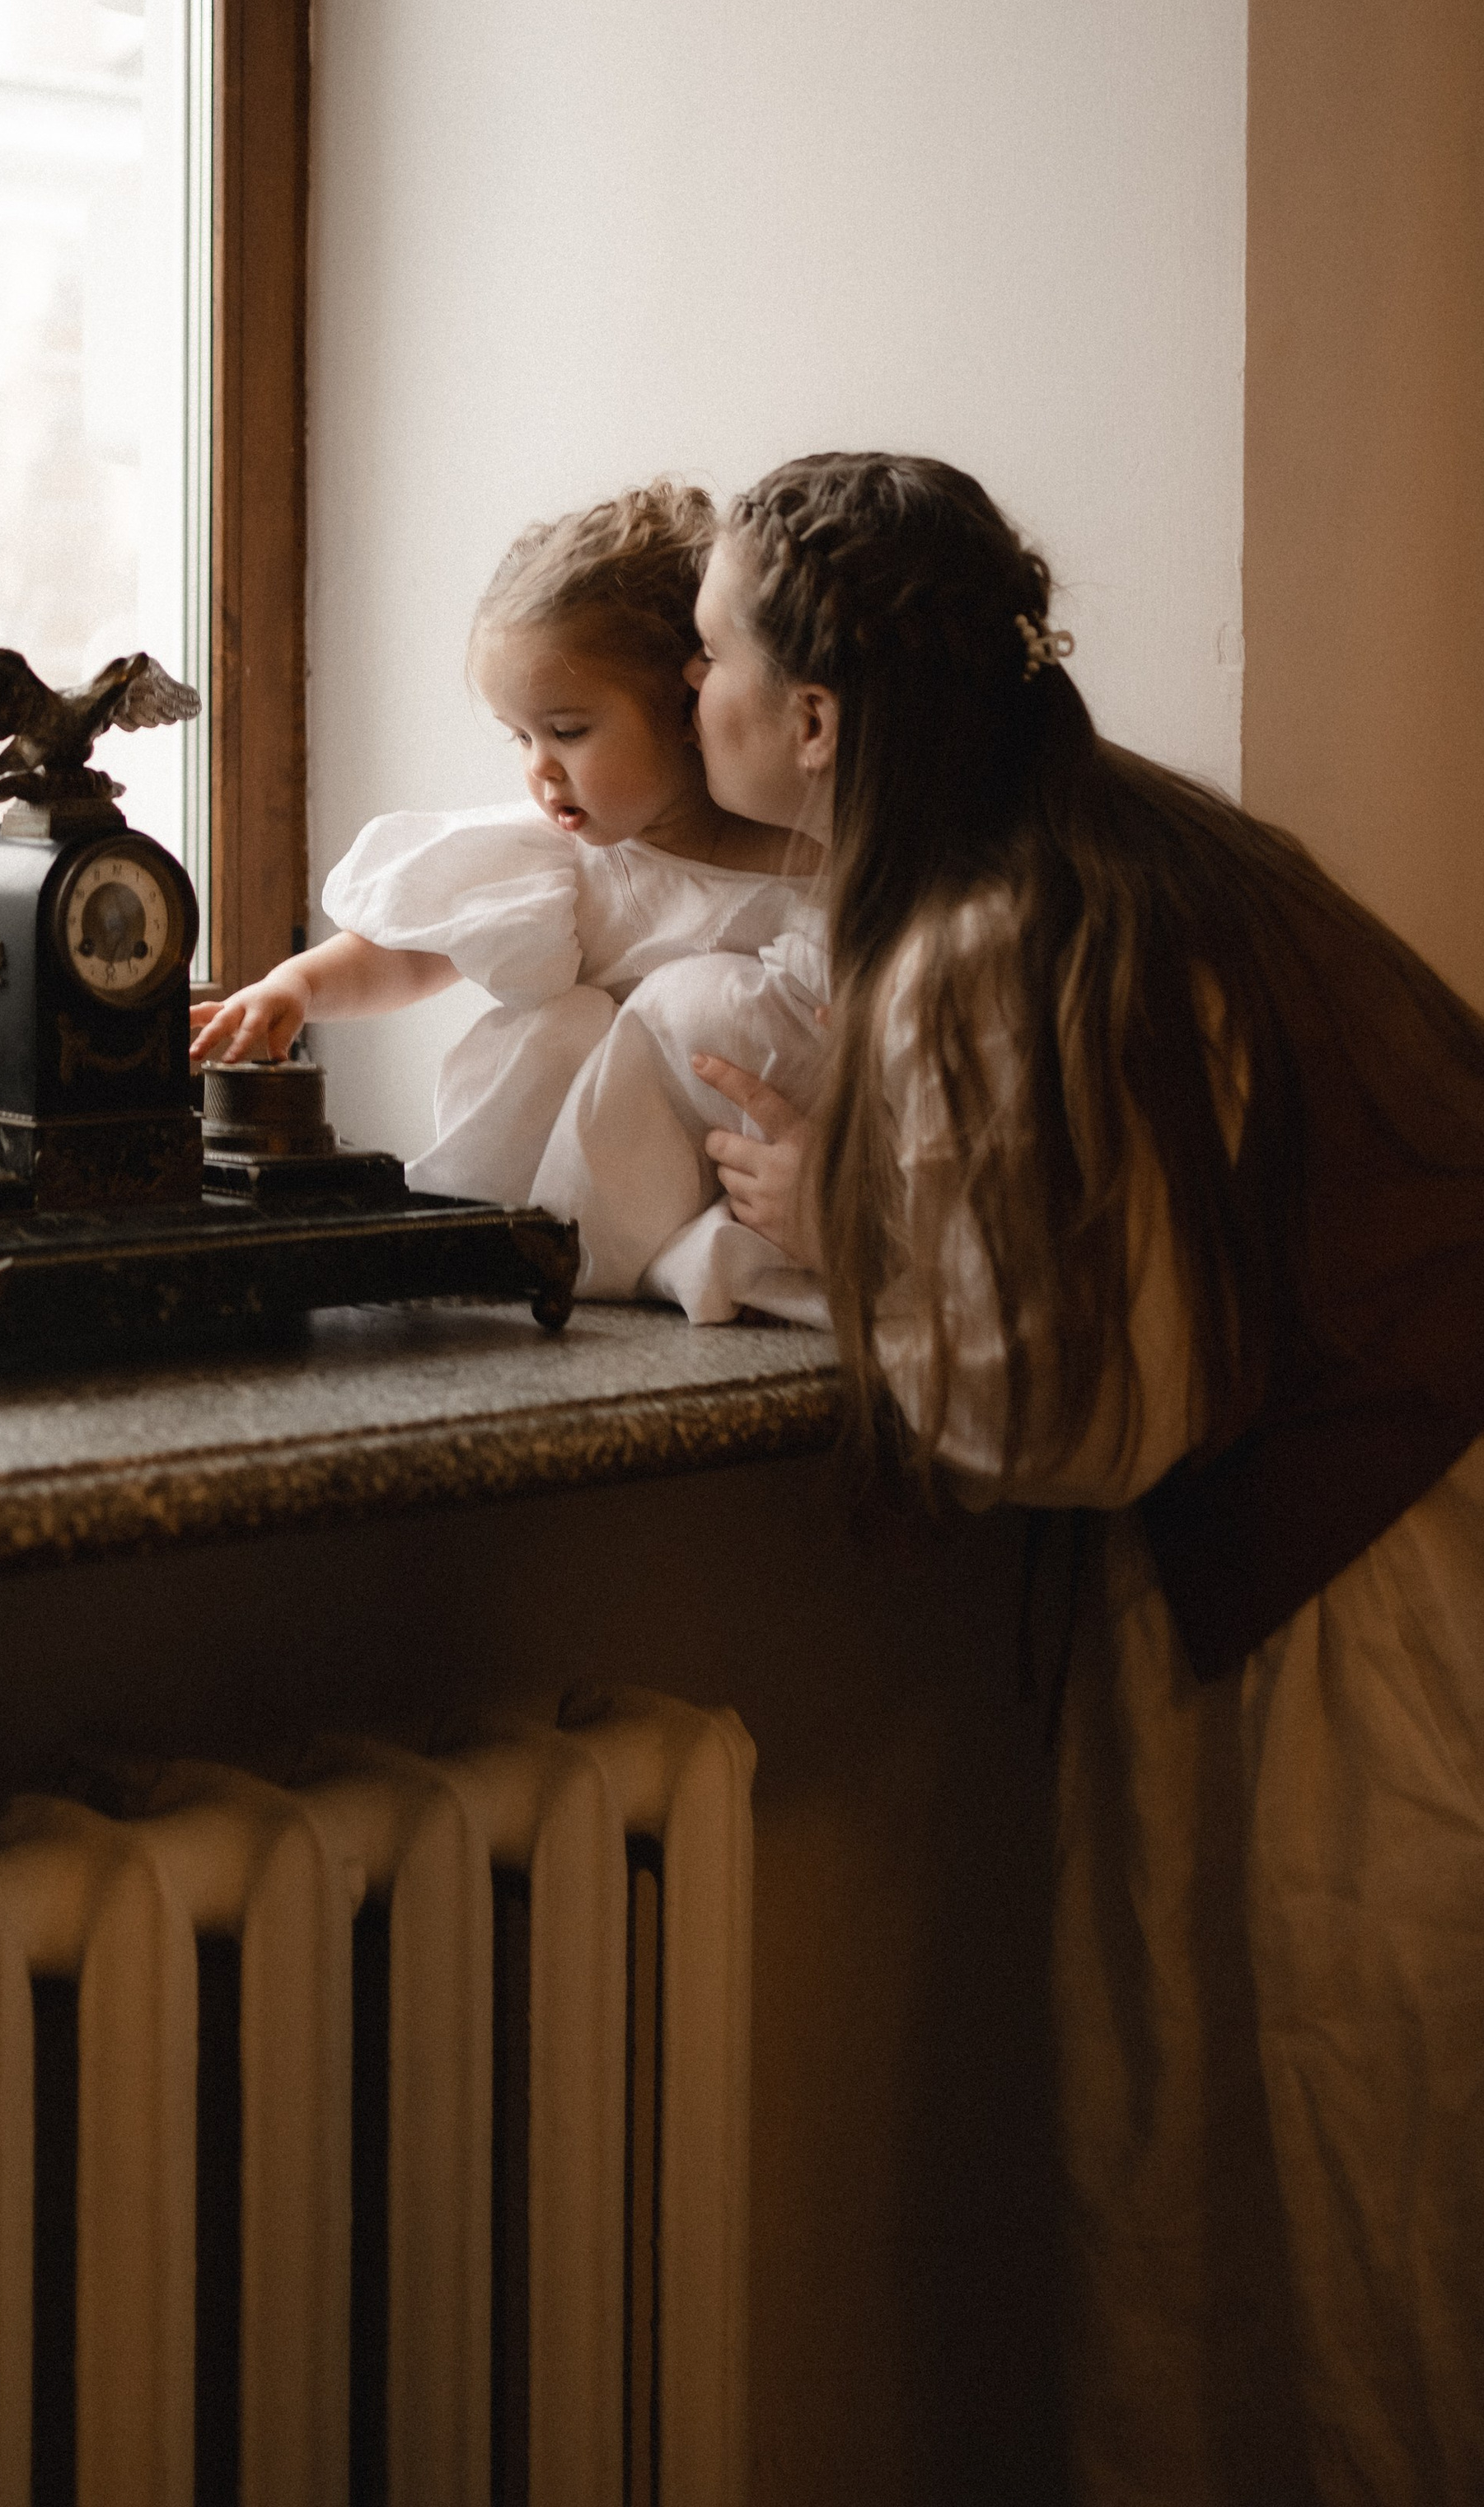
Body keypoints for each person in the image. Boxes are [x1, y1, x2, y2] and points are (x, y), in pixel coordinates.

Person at [675, 448, 1484, 2504]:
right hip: (1405, 1540)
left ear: (817, 718)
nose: (692, 696)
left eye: (706, 659)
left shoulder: (985, 939)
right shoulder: (1140, 849)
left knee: (1313, 2214)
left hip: (1331, 1617)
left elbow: (1070, 1411)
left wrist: (821, 1213)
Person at [190, 480, 828, 1314]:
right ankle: (471, 1252)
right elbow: (411, 949)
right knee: (561, 1025)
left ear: (685, 706)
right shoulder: (559, 858)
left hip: (741, 1198)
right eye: (520, 737)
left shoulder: (810, 864)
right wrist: (298, 988)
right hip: (558, 1205)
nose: (540, 769)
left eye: (568, 731)